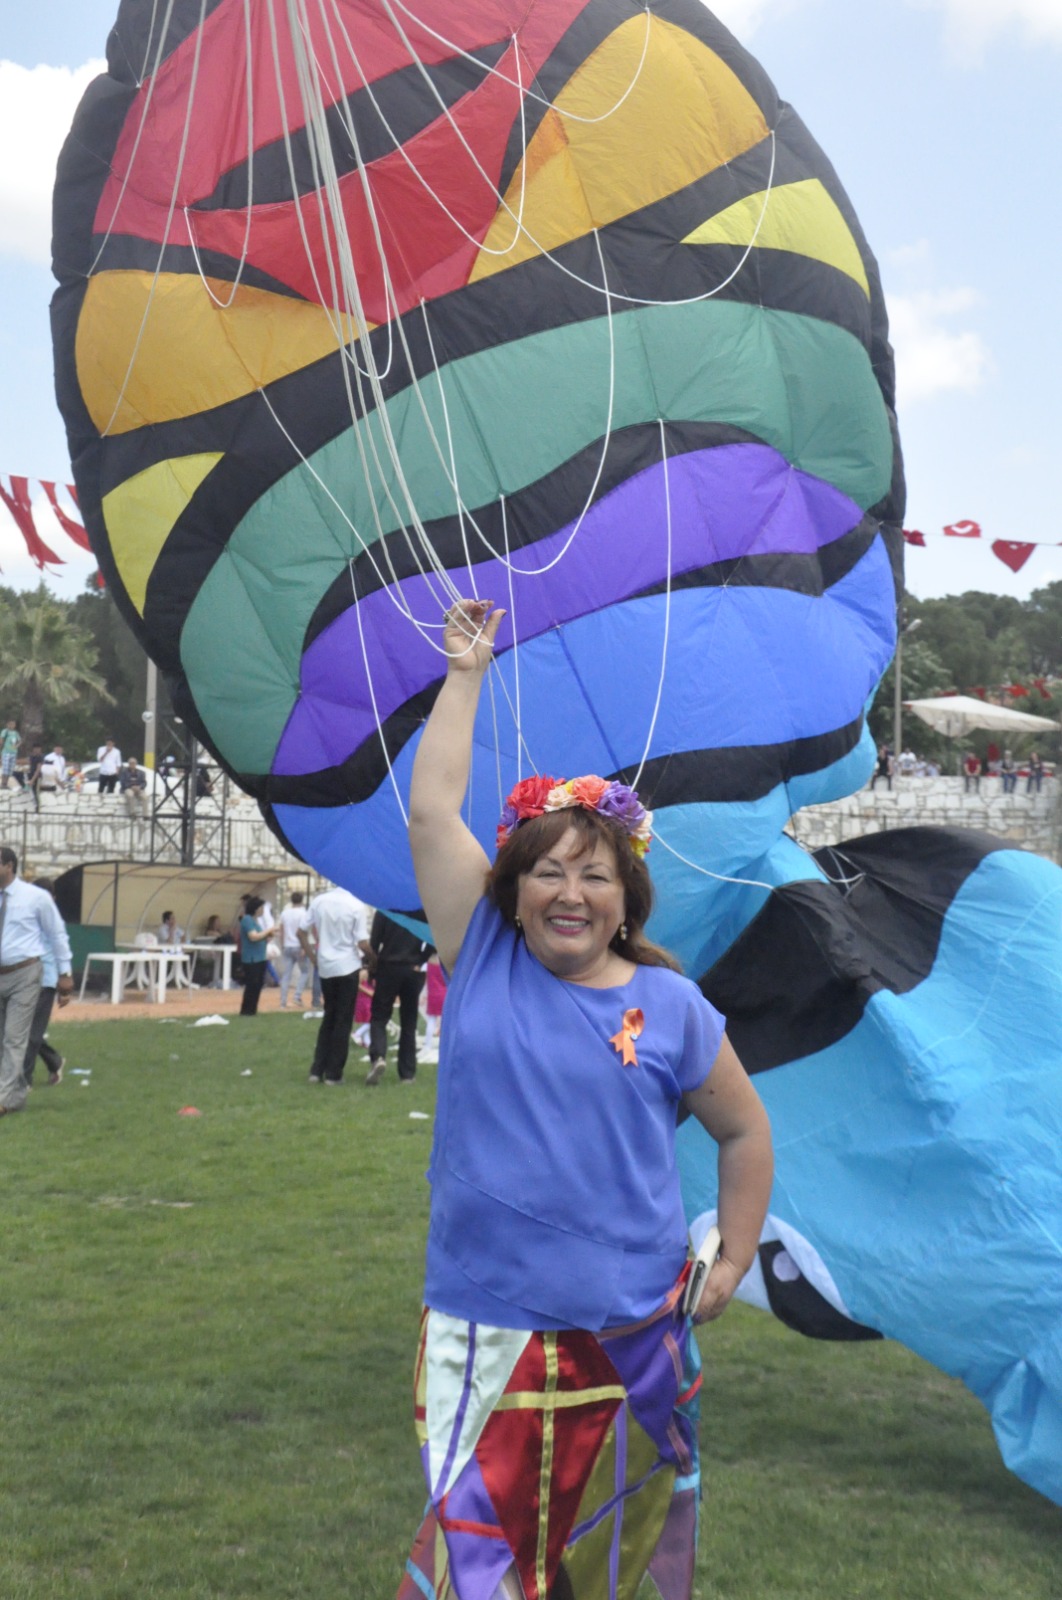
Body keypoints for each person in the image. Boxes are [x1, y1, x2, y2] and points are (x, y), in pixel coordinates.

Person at [397, 600, 774, 1600]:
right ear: (512, 890)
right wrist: (467, 673)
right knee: (477, 1567)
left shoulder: (674, 1005)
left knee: (613, 1567)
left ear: (627, 896)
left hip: (637, 1335)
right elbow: (432, 812)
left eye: (595, 874)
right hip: (488, 1328)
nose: (571, 891)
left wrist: (732, 1257)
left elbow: (743, 1129)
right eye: (548, 872)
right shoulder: (482, 961)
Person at [0, 846, 74, 1114]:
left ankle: (4, 1097)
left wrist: (65, 974)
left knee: (14, 1036)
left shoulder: (35, 898)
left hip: (26, 973)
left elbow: (57, 934)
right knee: (3, 1037)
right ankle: (15, 1097)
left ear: (9, 866)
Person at [298, 885, 368, 1083]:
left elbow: (301, 932)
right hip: (348, 966)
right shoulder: (356, 905)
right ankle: (334, 1073)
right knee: (343, 1020)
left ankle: (317, 1069)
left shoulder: (320, 901)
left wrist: (314, 958)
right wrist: (373, 958)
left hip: (326, 966)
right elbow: (362, 942)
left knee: (329, 1016)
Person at [364, 911, 430, 1086]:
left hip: (388, 967)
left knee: (379, 1017)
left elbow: (375, 943)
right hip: (412, 969)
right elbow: (432, 938)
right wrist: (421, 960)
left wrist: (371, 969)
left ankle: (378, 1056)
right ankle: (407, 1073)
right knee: (409, 1022)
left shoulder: (385, 910)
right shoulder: (419, 911)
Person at [21, 877, 66, 1088]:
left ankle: (24, 1081)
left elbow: (60, 948)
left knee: (31, 1032)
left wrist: (64, 980)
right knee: (19, 1029)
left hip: (45, 980)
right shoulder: (26, 916)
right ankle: (54, 1061)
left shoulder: (52, 920)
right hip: (24, 978)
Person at [237, 895, 271, 1015]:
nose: (262, 910)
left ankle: (252, 1009)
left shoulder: (256, 921)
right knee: (252, 985)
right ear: (256, 908)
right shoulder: (247, 920)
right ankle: (246, 1010)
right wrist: (268, 931)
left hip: (260, 957)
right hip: (252, 959)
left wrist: (267, 936)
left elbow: (260, 936)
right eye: (261, 908)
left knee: (257, 985)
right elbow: (253, 936)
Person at [278, 892, 310, 1008]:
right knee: (305, 971)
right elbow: (304, 931)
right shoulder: (304, 914)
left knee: (286, 975)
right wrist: (304, 947)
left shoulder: (284, 913)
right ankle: (297, 996)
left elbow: (281, 931)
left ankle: (283, 1001)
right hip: (299, 945)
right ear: (302, 900)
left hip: (287, 945)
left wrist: (282, 945)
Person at [421, 952, 447, 1057]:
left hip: (432, 993)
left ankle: (428, 1044)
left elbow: (426, 979)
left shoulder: (428, 962)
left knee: (431, 1020)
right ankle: (444, 1045)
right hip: (445, 993)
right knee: (446, 1021)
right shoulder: (445, 961)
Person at [0, 718, 21, 789]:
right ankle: (3, 783)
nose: (12, 725)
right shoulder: (5, 731)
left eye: (13, 724)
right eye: (11, 724)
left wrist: (16, 746)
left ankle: (6, 783)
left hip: (13, 752)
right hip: (6, 752)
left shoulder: (15, 733)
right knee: (5, 769)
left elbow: (19, 741)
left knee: (10, 769)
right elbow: (1, 741)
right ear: (8, 724)